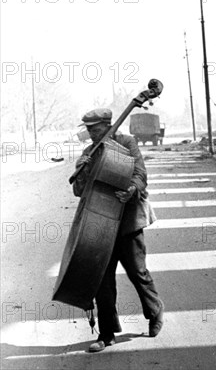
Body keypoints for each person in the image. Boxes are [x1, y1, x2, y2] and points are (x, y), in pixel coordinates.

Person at [73, 108, 164, 353]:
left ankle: (155, 312)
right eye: (88, 129)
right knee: (103, 279)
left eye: (94, 129)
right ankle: (107, 332)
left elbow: (140, 174)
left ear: (107, 125)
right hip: (101, 224)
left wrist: (132, 189)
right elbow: (79, 191)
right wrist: (81, 170)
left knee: (137, 271)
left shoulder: (126, 143)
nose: (90, 133)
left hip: (128, 220)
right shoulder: (89, 152)